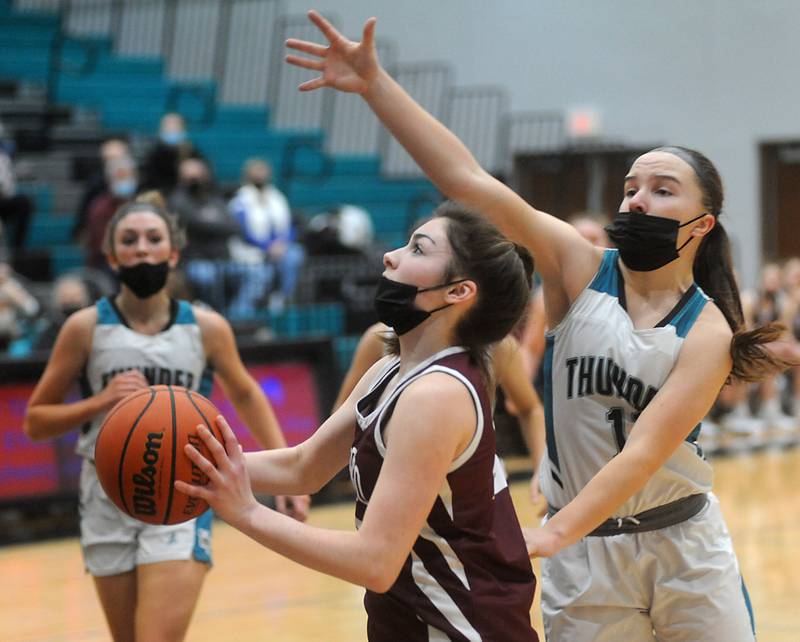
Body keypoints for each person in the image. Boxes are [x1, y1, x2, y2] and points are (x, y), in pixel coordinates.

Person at [283, 12, 795, 640]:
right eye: (631, 188)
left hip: (681, 543)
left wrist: (553, 530)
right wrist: (375, 85)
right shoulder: (578, 267)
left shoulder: (708, 330)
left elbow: (642, 454)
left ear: (703, 224)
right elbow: (466, 181)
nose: (637, 200)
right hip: (585, 557)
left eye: (663, 191)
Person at [178, 202, 540, 640]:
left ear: (457, 292)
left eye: (417, 250)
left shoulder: (438, 395)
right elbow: (303, 467)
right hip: (410, 623)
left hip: (464, 627)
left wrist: (246, 512)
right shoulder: (389, 370)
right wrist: (189, 464)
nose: (391, 256)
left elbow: (375, 561)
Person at [23, 192, 309, 642]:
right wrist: (100, 402)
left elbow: (248, 395)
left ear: (173, 253)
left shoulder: (207, 327)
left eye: (153, 238)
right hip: (107, 495)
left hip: (183, 495)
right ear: (111, 255)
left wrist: (287, 475)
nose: (142, 248)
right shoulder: (84, 327)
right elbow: (36, 421)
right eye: (129, 239)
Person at [334, 321, 546, 503]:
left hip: (473, 484)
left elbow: (530, 408)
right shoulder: (381, 338)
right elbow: (341, 418)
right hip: (397, 481)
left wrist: (541, 468)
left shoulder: (497, 344)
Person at [228, 158, 306, 313]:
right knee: (261, 275)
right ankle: (241, 315)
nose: (260, 176)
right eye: (256, 172)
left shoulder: (278, 198)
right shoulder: (240, 201)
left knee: (295, 254)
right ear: (247, 175)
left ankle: (282, 300)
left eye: (263, 171)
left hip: (278, 250)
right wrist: (267, 246)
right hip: (249, 252)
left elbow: (290, 225)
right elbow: (243, 232)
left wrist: (283, 243)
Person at [84, 155, 139, 271]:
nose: (124, 181)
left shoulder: (141, 205)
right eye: (120, 177)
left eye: (127, 176)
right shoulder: (100, 208)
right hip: (106, 265)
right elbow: (103, 245)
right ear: (110, 180)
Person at [140, 112, 204, 195]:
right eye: (168, 128)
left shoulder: (192, 152)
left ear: (184, 130)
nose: (172, 131)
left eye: (176, 128)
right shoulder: (152, 154)